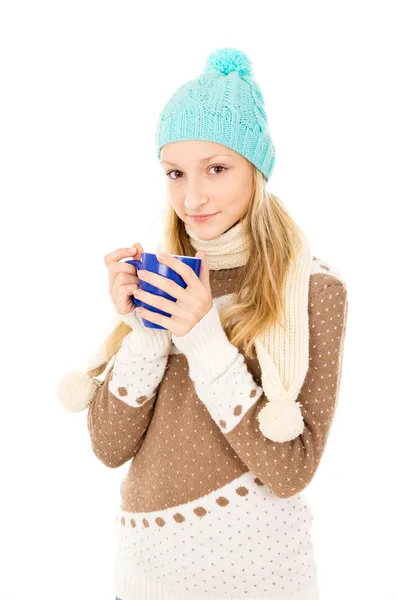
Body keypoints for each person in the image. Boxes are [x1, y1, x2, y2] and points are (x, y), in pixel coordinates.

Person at [58, 47, 348, 600]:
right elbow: (108, 448)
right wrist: (145, 327)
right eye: (175, 173)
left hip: (260, 584)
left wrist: (204, 337)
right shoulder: (161, 273)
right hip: (144, 581)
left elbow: (290, 471)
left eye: (217, 168)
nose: (192, 197)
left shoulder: (314, 290)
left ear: (256, 169)